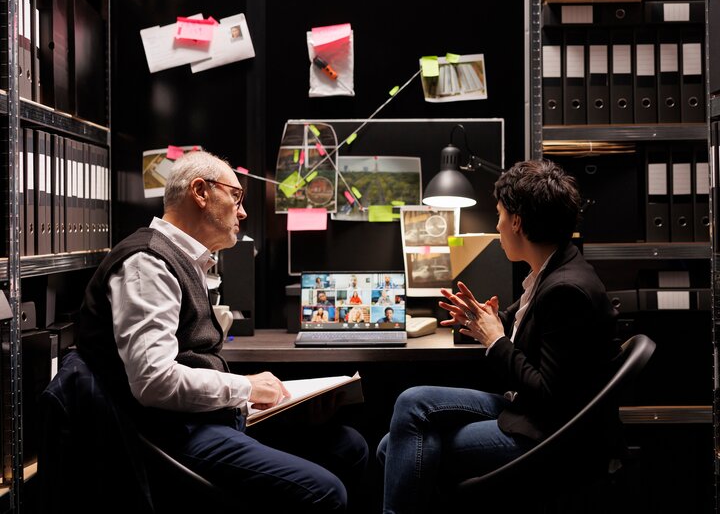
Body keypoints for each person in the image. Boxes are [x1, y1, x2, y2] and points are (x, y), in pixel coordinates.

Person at [76, 151, 368, 513]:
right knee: (326, 492)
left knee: (349, 445)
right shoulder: (147, 263)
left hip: (199, 420)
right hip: (172, 434)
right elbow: (154, 382)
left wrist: (266, 403)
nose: (242, 212)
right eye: (236, 197)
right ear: (200, 192)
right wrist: (246, 388)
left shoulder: (183, 259)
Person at [377, 159, 620, 513]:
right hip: (531, 413)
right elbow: (530, 323)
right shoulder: (553, 270)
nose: (498, 225)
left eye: (500, 215)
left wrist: (496, 340)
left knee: (395, 445)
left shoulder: (567, 289)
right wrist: (486, 319)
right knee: (411, 405)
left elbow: (548, 395)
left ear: (517, 221)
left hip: (552, 435)